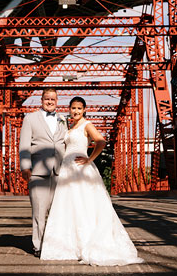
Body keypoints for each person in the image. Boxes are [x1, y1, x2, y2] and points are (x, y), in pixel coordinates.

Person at [40, 97, 143, 266]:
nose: (76, 111)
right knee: (70, 205)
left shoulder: (86, 125)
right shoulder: (70, 127)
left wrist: (89, 159)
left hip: (80, 168)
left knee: (83, 204)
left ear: (84, 110)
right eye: (73, 108)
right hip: (67, 168)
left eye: (79, 108)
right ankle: (70, 246)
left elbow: (101, 141)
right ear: (70, 109)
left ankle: (85, 243)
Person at [19, 87, 66, 257]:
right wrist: (25, 167)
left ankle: (55, 244)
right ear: (41, 99)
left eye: (53, 99)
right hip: (38, 172)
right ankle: (38, 246)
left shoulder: (63, 119)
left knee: (57, 212)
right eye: (47, 98)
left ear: (57, 101)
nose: (50, 102)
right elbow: (24, 145)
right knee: (39, 211)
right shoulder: (30, 119)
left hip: (60, 172)